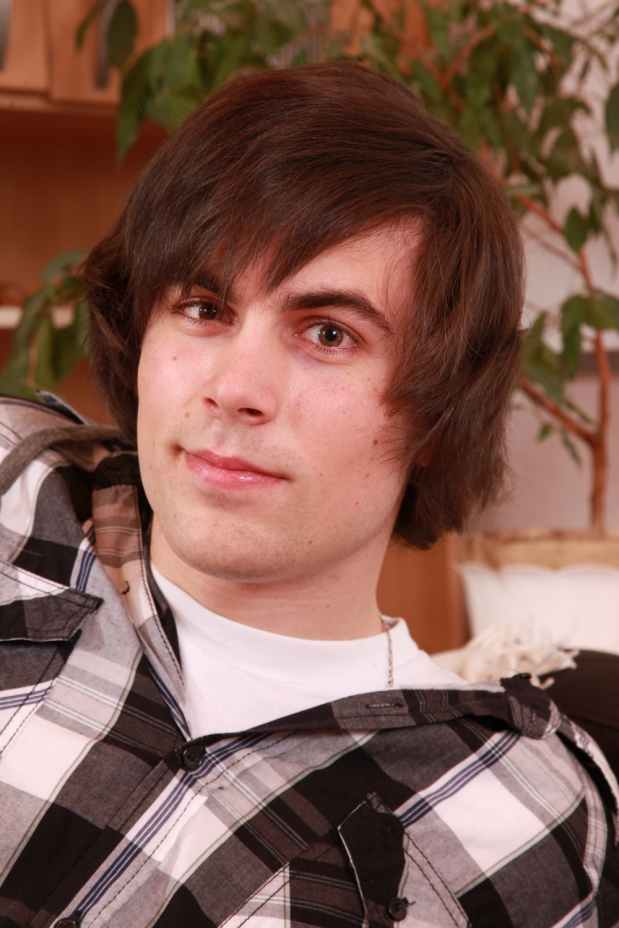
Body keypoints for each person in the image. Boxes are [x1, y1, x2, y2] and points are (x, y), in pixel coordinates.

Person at [0, 63, 617, 928]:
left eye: (328, 333)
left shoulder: (514, 815)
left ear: (438, 416)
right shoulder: (16, 484)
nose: (233, 388)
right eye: (204, 308)